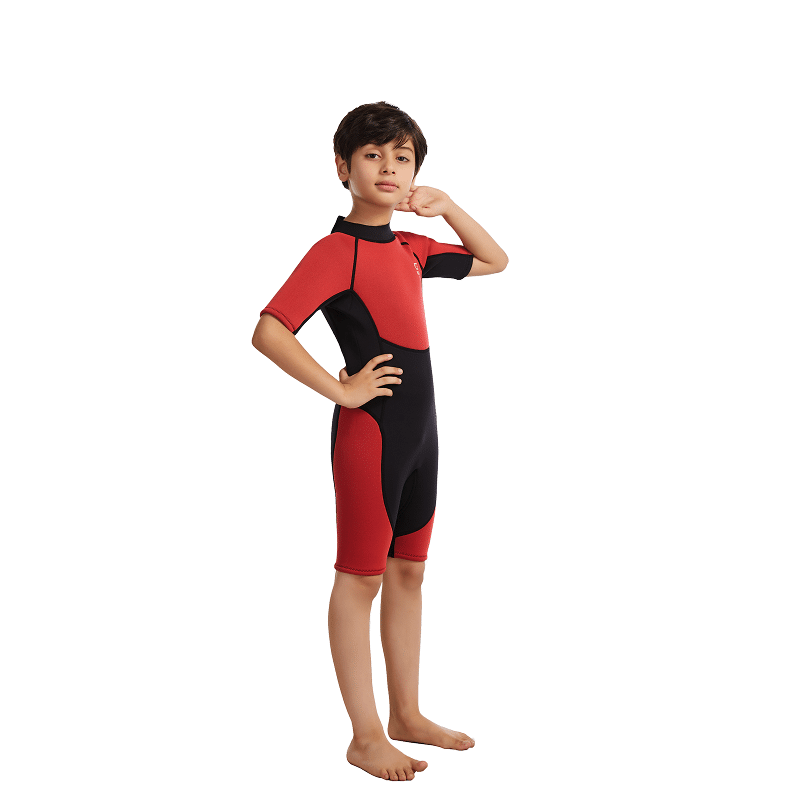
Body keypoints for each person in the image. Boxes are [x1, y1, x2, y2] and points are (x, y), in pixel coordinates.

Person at [251, 101, 508, 781]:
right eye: (373, 155)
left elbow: (495, 260)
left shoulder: (411, 248)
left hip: (422, 435)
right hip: (371, 436)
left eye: (403, 157)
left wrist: (446, 207)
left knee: (409, 571)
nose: (389, 168)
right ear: (343, 168)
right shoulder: (334, 252)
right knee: (360, 576)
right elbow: (270, 330)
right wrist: (340, 392)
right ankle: (365, 735)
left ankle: (407, 715)